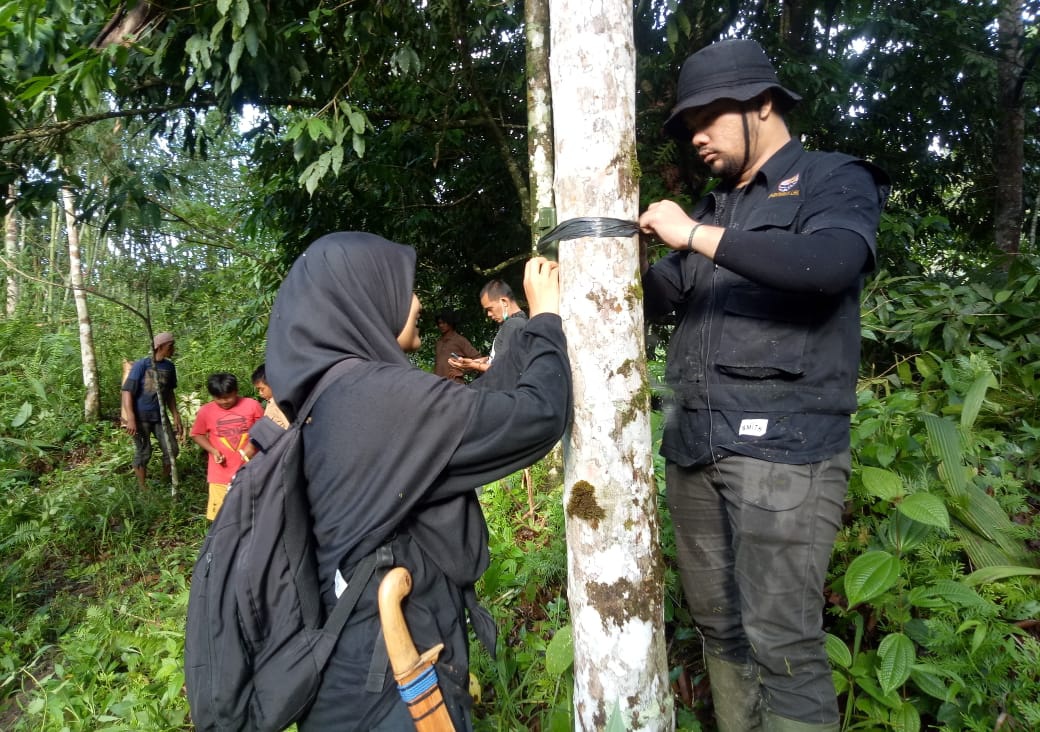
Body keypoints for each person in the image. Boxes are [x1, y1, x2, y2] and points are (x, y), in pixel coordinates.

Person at [637, 39, 889, 732]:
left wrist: (691, 235)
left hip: (784, 451)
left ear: (764, 105)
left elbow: (829, 264)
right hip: (694, 448)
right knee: (719, 629)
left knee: (782, 642)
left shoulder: (833, 178)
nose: (697, 136)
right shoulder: (712, 209)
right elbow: (656, 298)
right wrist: (614, 258)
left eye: (709, 117)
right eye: (689, 125)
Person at [265, 232, 570, 731]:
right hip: (387, 675)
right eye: (401, 285)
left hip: (353, 663)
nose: (417, 299)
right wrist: (546, 318)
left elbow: (480, 409)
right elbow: (537, 416)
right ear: (363, 298)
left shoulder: (333, 394)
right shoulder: (378, 396)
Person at [189, 372, 264, 520]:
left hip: (251, 471)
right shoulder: (206, 411)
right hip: (220, 474)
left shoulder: (252, 405)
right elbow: (197, 434)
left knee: (252, 513)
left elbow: (264, 429)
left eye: (228, 397)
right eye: (218, 398)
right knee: (221, 517)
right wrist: (213, 450)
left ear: (236, 391)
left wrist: (253, 445)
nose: (224, 401)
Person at [121, 331, 183, 490]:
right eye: (170, 346)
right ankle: (143, 488)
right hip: (140, 417)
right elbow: (127, 391)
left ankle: (164, 482)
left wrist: (175, 414)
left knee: (172, 449)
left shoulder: (169, 367)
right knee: (144, 451)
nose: (173, 349)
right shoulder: (142, 365)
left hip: (159, 417)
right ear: (160, 347)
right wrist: (131, 418)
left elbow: (169, 392)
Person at [450, 280, 527, 383]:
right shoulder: (516, 323)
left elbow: (503, 369)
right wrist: (485, 360)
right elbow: (507, 359)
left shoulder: (514, 324)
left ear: (504, 302)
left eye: (490, 309)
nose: (489, 314)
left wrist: (473, 365)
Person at [432, 309, 482, 383]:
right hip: (438, 384)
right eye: (439, 323)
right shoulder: (439, 342)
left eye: (444, 323)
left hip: (454, 384)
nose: (441, 325)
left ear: (451, 323)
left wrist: (462, 372)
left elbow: (479, 359)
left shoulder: (460, 340)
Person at [250, 362, 289, 429]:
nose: (260, 393)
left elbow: (291, 429)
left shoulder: (279, 403)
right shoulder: (271, 402)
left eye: (262, 389)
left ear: (272, 384)